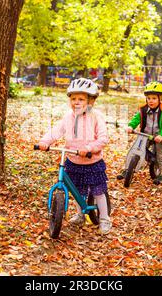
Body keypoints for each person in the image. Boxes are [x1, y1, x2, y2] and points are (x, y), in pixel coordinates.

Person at [38, 78, 111, 234]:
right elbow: (56, 131)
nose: (76, 102)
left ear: (90, 101)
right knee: (77, 190)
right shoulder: (68, 117)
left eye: (81, 99)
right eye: (73, 99)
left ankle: (104, 219)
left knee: (98, 191)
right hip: (73, 159)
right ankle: (80, 214)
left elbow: (103, 138)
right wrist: (45, 141)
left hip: (92, 162)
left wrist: (90, 147)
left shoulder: (96, 116)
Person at [124, 82, 162, 185]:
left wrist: (161, 135)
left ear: (160, 99)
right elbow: (137, 118)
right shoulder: (143, 109)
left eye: (154, 98)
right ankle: (128, 169)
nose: (151, 101)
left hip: (159, 137)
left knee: (160, 155)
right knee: (136, 148)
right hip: (145, 135)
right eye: (149, 98)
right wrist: (131, 126)